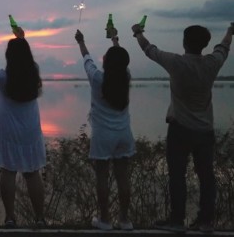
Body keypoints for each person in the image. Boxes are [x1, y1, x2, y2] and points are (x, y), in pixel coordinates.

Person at [132, 22, 232, 233]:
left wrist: (138, 33)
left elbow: (149, 50)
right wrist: (230, 32)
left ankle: (177, 221)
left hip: (180, 130)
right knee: (206, 176)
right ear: (204, 44)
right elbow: (223, 48)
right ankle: (205, 221)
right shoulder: (211, 63)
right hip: (205, 131)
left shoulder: (176, 62)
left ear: (185, 42)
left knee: (177, 175)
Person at [0, 27, 46, 229]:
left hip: (8, 131)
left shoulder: (3, 76)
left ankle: (9, 218)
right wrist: (22, 40)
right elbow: (27, 60)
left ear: (8, 56)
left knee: (7, 171)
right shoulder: (34, 75)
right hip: (30, 130)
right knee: (33, 173)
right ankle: (40, 218)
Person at [75, 28, 134, 231]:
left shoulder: (98, 78)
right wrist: (115, 40)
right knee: (123, 177)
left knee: (102, 177)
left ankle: (105, 219)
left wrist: (81, 40)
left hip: (103, 136)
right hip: (124, 134)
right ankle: (125, 220)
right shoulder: (125, 76)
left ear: (107, 61)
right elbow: (121, 60)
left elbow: (86, 57)